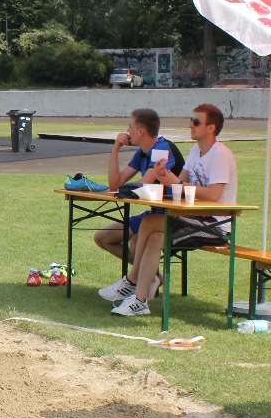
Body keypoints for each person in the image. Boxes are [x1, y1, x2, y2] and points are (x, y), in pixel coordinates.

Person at [109, 104, 237, 316]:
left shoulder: (220, 154)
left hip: (215, 224)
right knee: (154, 236)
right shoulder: (196, 151)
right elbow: (180, 183)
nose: (190, 125)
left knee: (150, 224)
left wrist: (175, 182)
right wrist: (164, 176)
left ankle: (132, 281)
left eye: (196, 122)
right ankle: (140, 301)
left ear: (211, 128)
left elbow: (213, 194)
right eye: (191, 120)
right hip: (193, 217)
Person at [95, 108, 184, 302]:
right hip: (152, 215)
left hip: (173, 216)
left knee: (136, 242)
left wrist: (129, 188)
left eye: (130, 127)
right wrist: (115, 149)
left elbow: (146, 183)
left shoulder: (162, 148)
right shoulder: (141, 152)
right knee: (103, 238)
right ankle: (153, 277)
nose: (127, 131)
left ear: (141, 131)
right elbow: (115, 184)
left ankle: (140, 281)